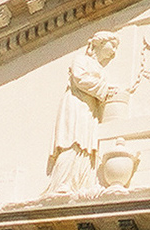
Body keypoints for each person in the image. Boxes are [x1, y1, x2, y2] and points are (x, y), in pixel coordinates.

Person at [43, 32, 125, 198]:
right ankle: (62, 183)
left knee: (85, 146)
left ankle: (80, 183)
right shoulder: (81, 60)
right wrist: (104, 89)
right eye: (112, 45)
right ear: (99, 44)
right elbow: (79, 79)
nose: (114, 51)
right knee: (73, 141)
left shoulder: (100, 69)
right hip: (76, 105)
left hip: (89, 109)